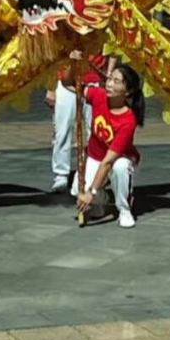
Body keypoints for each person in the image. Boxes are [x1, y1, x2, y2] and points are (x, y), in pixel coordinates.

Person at [66, 54, 145, 229]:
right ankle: (100, 201)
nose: (109, 84)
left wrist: (91, 192)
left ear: (128, 91)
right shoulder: (98, 95)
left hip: (117, 159)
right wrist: (73, 64)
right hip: (95, 155)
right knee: (77, 190)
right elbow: (69, 84)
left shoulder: (128, 120)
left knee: (120, 168)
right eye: (110, 79)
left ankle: (124, 209)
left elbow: (108, 161)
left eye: (116, 82)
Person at [46, 53, 113, 192]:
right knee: (62, 130)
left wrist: (109, 75)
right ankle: (61, 174)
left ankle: (94, 171)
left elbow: (113, 49)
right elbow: (53, 53)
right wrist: (51, 86)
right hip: (65, 79)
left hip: (95, 79)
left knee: (96, 130)